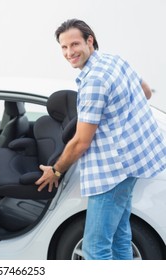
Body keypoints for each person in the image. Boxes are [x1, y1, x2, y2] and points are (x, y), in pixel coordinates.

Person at [36, 19, 166, 260]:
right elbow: (145, 92)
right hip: (131, 164)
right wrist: (121, 119)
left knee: (95, 248)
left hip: (111, 172)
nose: (69, 52)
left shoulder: (94, 81)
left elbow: (81, 142)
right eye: (63, 47)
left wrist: (55, 170)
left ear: (90, 40)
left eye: (74, 44)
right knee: (120, 238)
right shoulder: (114, 60)